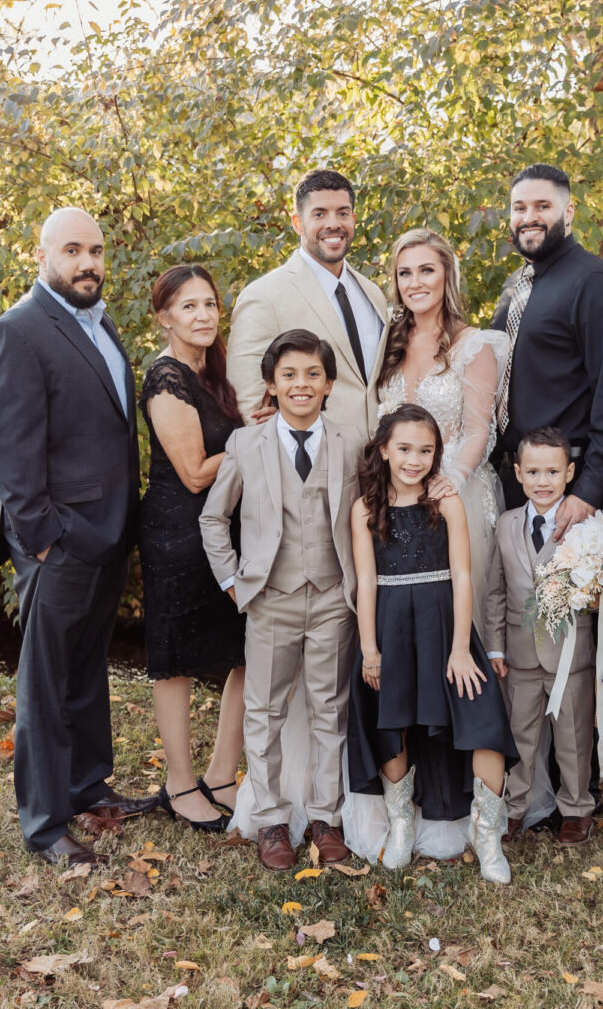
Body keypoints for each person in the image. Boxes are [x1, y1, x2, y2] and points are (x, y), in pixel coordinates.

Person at [0, 206, 158, 867]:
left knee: (87, 670)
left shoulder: (99, 320)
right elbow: (12, 453)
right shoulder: (18, 332)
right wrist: (45, 538)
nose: (88, 263)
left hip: (108, 535)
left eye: (97, 251)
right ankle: (47, 826)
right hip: (60, 540)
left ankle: (87, 786)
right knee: (46, 686)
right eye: (73, 250)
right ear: (43, 254)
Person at [199, 329, 365, 871]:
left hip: (333, 598)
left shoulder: (351, 443)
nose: (301, 384)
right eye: (289, 375)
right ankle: (271, 819)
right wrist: (232, 581)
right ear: (271, 384)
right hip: (270, 597)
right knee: (265, 711)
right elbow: (213, 518)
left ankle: (325, 817)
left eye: (312, 375)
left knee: (328, 709)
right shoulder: (246, 444)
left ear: (329, 384)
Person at [343, 404, 519, 883]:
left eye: (425, 450)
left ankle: (488, 836)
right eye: (404, 448)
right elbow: (365, 581)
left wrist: (461, 647)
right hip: (391, 627)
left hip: (445, 625)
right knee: (391, 721)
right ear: (384, 449)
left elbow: (463, 577)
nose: (414, 459)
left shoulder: (446, 501)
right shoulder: (365, 508)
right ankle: (401, 824)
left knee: (482, 718)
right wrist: (370, 648)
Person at [138, 265, 247, 833]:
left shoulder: (217, 373)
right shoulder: (166, 379)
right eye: (188, 307)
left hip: (227, 530)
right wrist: (258, 438)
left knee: (248, 649)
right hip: (178, 531)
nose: (203, 315)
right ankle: (179, 785)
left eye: (210, 304)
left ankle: (223, 773)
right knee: (174, 662)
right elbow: (195, 472)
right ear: (165, 317)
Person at [374, 228, 508, 631]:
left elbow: (479, 432)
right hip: (398, 492)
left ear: (447, 275)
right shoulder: (388, 344)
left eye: (426, 270)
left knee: (462, 616)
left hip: (456, 491)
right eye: (404, 273)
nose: (415, 283)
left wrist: (449, 480)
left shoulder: (474, 345)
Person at [490, 163, 603, 540]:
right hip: (513, 482)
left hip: (568, 486)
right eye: (519, 208)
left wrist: (589, 490)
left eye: (542, 206)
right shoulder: (515, 285)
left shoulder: (593, 283)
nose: (529, 217)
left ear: (568, 212)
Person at [484, 427, 597, 846]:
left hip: (569, 651)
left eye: (552, 471)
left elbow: (597, 590)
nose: (543, 481)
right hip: (518, 652)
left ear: (569, 473)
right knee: (520, 734)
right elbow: (495, 590)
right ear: (517, 473)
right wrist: (495, 644)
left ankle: (577, 808)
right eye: (533, 472)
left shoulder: (585, 525)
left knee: (573, 736)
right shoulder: (506, 524)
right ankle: (515, 809)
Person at [227, 169, 390, 431]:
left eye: (343, 212)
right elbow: (247, 407)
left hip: (376, 463)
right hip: (309, 465)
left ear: (354, 219)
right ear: (297, 222)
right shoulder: (263, 296)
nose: (333, 223)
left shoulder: (373, 294)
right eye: (319, 213)